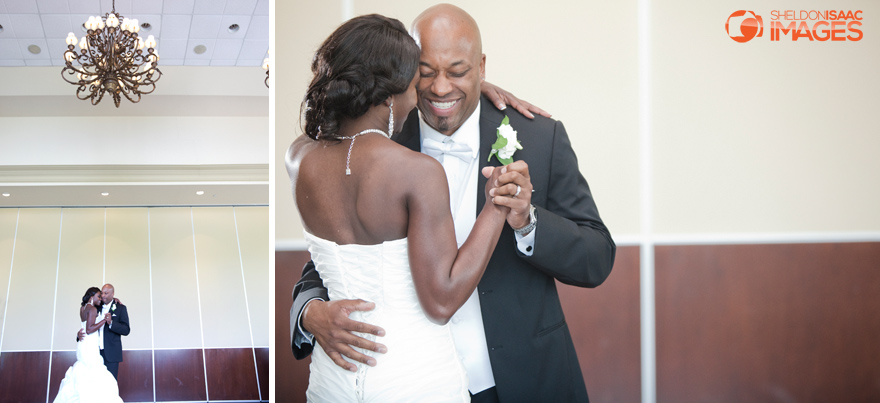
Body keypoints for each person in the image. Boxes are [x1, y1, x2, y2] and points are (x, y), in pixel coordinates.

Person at [291, 4, 616, 402]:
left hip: (522, 381)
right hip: (413, 384)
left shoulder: (539, 136)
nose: (441, 88)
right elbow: (333, 253)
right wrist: (309, 314)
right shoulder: (379, 134)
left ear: (481, 66)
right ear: (406, 71)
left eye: (458, 72)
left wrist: (528, 223)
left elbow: (597, 256)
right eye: (426, 73)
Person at [286, 13, 514, 401]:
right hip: (415, 377)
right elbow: (441, 300)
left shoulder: (298, 157)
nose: (422, 95)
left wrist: (479, 84)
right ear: (389, 96)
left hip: (334, 378)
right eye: (416, 83)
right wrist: (496, 207)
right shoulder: (416, 173)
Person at [53, 287, 124, 403]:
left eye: (105, 294)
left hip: (93, 346)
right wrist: (104, 321)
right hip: (91, 346)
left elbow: (126, 329)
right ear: (92, 297)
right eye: (100, 295)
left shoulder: (83, 308)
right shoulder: (94, 308)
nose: (102, 298)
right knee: (93, 377)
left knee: (88, 375)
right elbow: (89, 329)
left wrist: (113, 305)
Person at [76, 283, 130, 380]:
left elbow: (126, 330)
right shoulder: (96, 306)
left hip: (111, 354)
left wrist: (111, 323)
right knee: (93, 383)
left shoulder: (121, 308)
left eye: (106, 293)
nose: (103, 296)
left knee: (110, 384)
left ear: (112, 294)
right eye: (102, 293)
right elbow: (87, 324)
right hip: (94, 352)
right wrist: (78, 334)